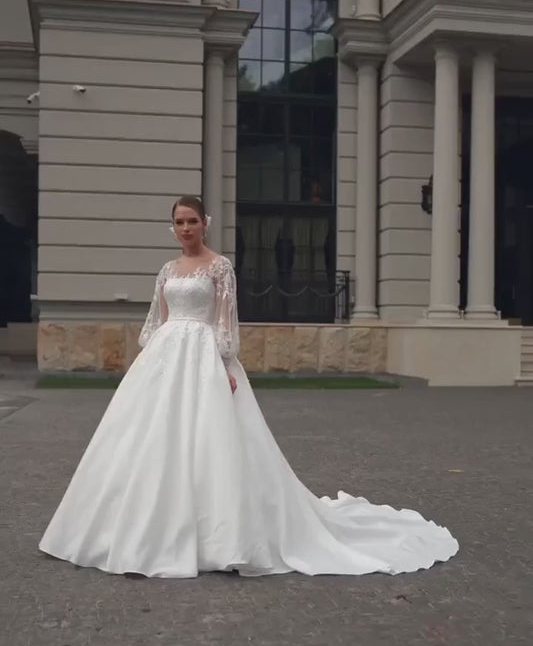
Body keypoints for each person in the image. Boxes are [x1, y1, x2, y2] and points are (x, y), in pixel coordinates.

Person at [39, 196, 458, 578]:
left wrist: (225, 363)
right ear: (173, 228)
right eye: (178, 223)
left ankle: (221, 533)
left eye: (191, 221)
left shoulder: (220, 267)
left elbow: (225, 318)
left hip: (205, 353)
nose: (185, 228)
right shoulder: (167, 270)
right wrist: (149, 361)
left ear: (205, 223)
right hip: (165, 357)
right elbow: (159, 320)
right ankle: (132, 526)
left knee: (211, 439)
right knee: (146, 437)